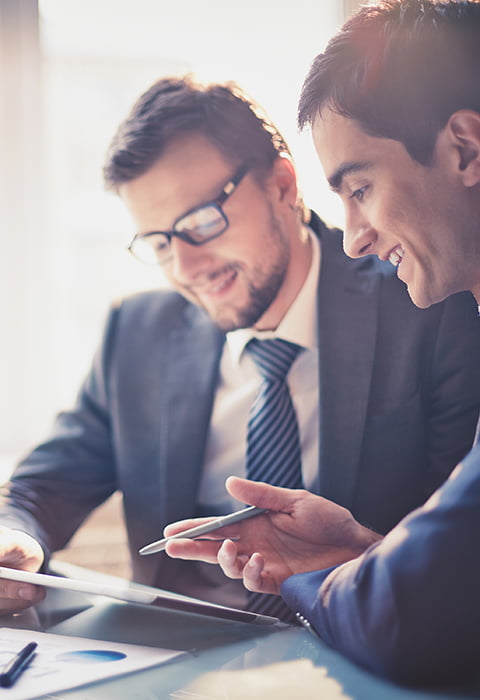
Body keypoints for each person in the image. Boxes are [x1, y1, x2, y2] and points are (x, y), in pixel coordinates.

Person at [1, 75, 479, 624]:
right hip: (173, 660)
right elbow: (45, 483)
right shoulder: (138, 330)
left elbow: (457, 554)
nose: (185, 267)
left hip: (356, 644)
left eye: (201, 222)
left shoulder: (427, 301)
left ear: (282, 185)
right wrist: (14, 538)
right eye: (159, 242)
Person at [163, 0, 480, 686]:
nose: (355, 236)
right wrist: (367, 552)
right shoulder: (140, 332)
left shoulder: (442, 327)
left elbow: (406, 619)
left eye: (360, 187)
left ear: (465, 148)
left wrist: (322, 572)